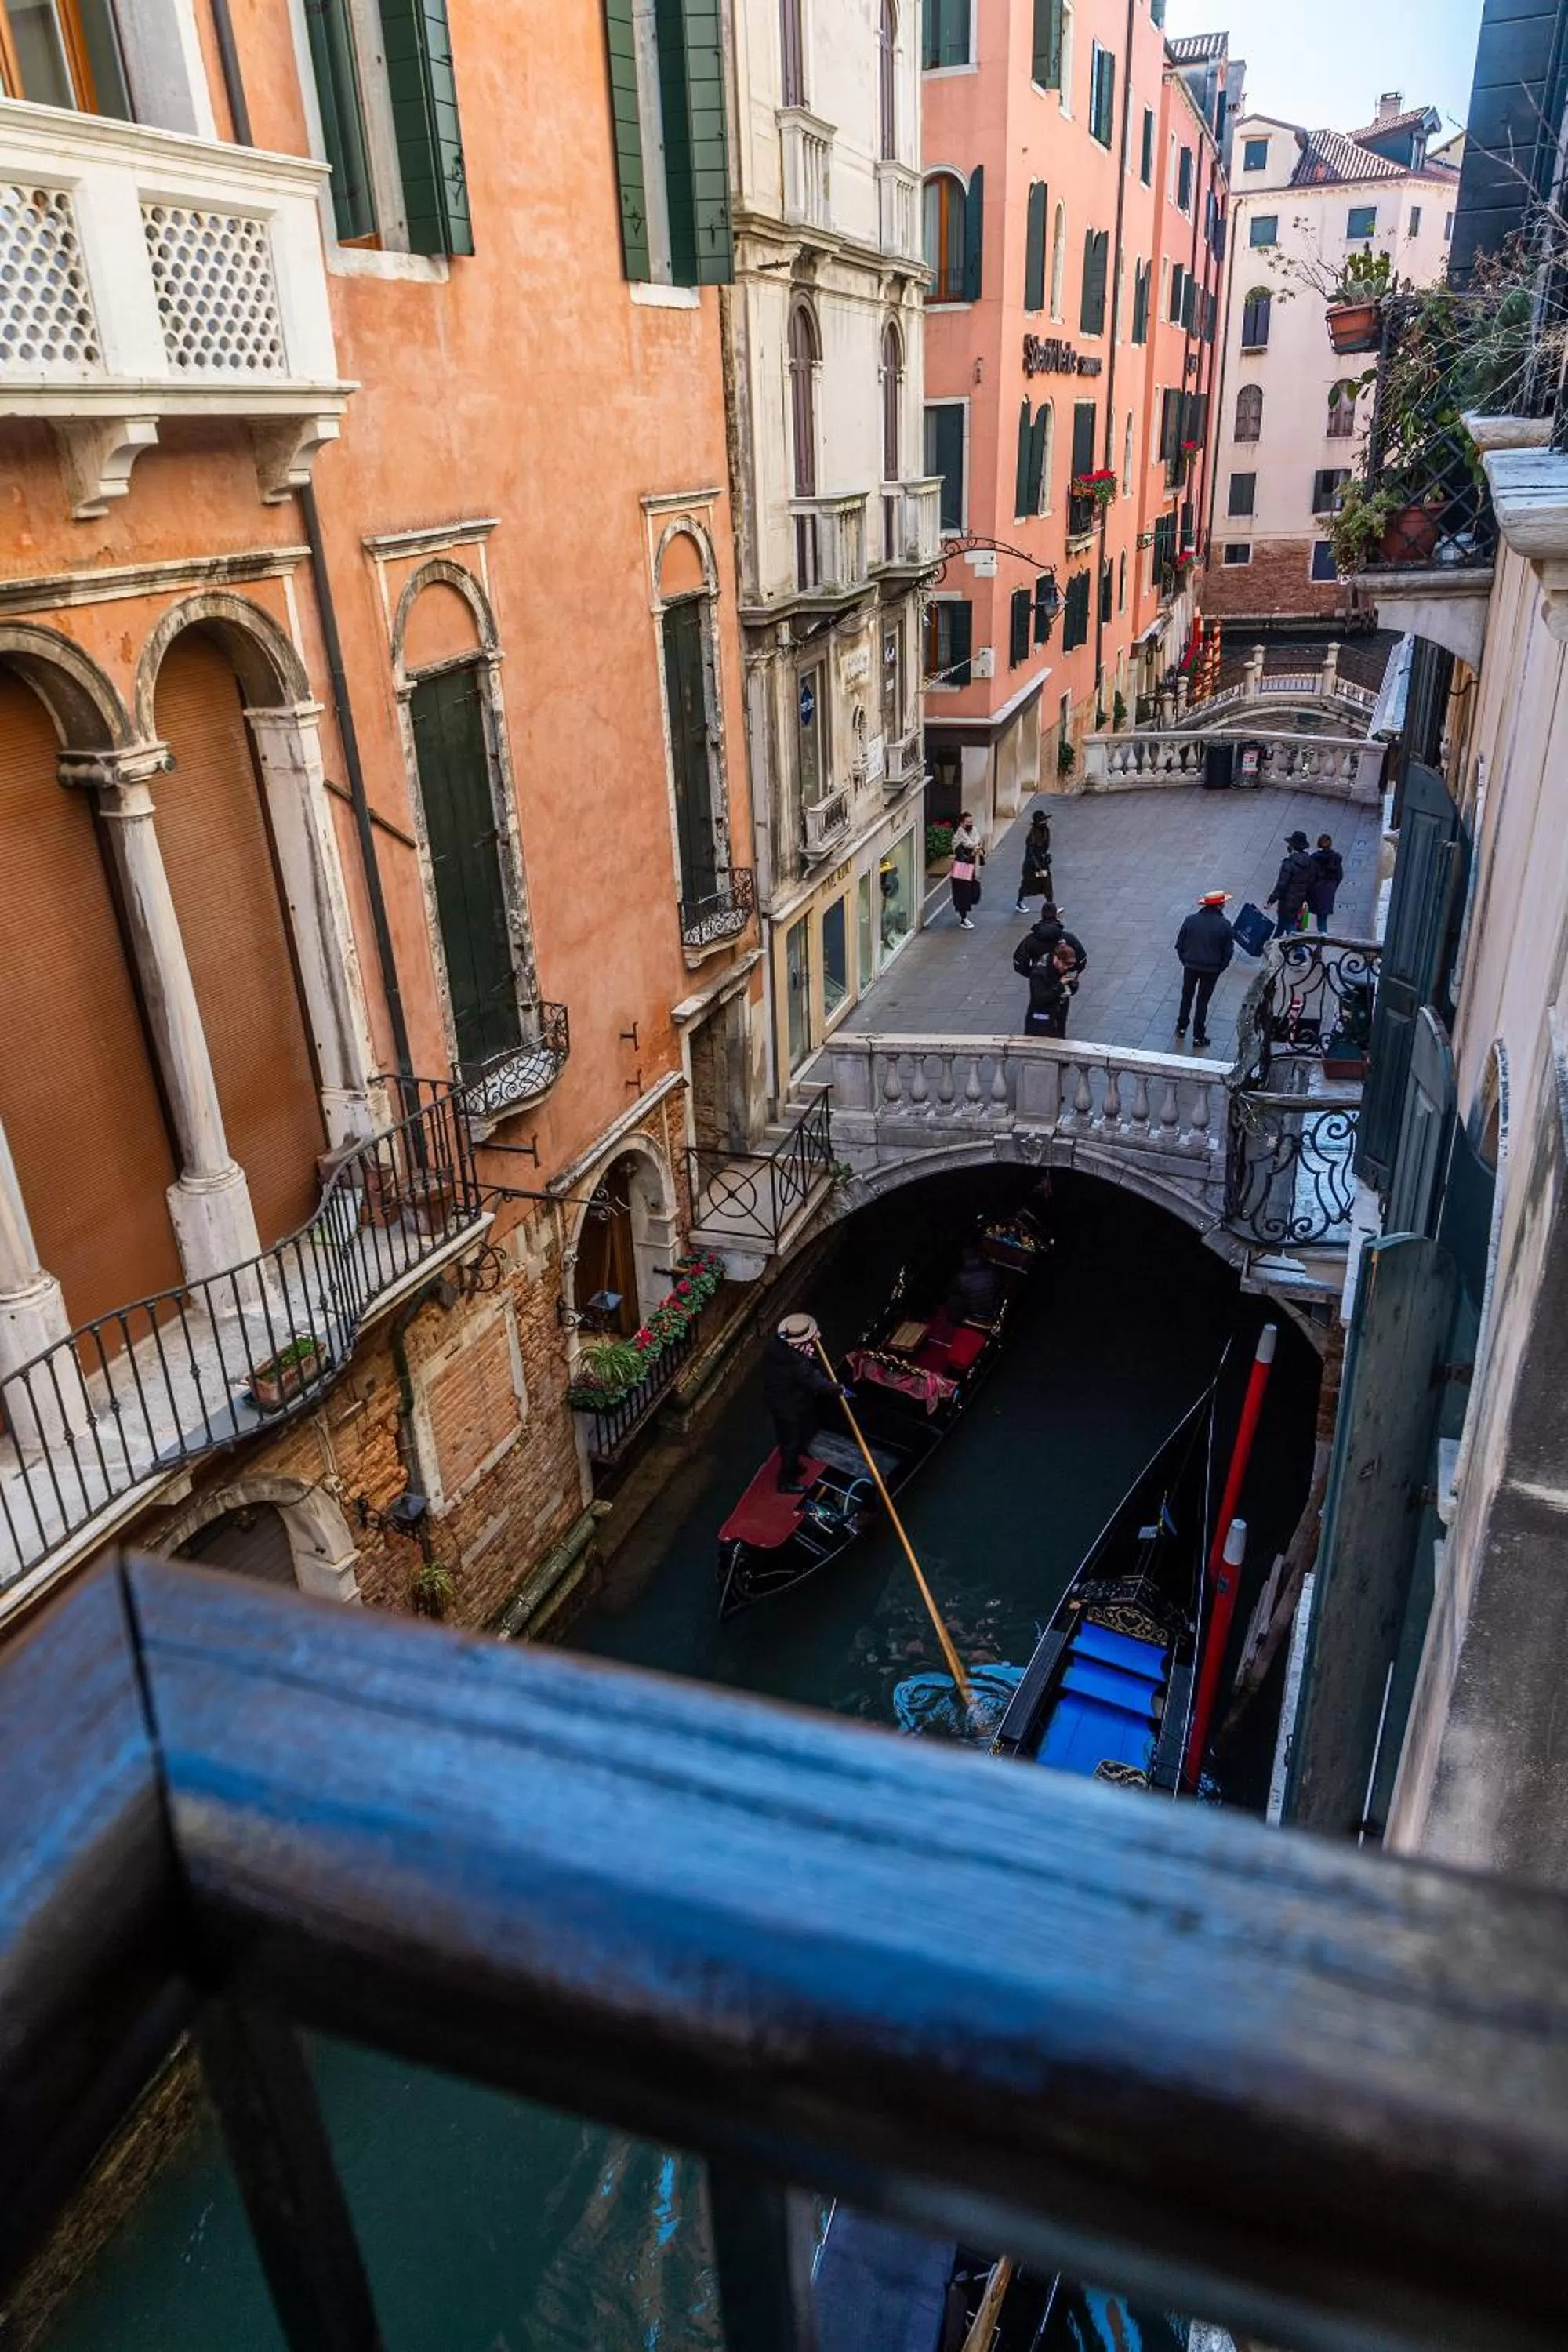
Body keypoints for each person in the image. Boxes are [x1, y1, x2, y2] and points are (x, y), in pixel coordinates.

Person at [764, 1312, 843, 1494]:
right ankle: (786, 1482)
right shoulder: (798, 1363)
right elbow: (817, 1382)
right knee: (791, 1442)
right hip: (789, 1407)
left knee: (794, 1438)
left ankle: (794, 1464)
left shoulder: (777, 1345)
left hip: (781, 1400)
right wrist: (840, 1390)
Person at [1173, 890, 1235, 1051]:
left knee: (1186, 997)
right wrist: (1219, 968)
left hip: (1190, 967)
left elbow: (1180, 944)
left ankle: (1181, 1027)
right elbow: (1228, 953)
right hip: (1211, 970)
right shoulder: (1225, 925)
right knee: (1202, 1002)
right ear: (1220, 906)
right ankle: (1198, 1037)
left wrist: (1186, 960)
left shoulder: (1190, 920)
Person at [1022, 943, 1076, 1039]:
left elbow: (1072, 991)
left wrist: (1073, 984)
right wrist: (1060, 986)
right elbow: (1040, 999)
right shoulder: (1039, 973)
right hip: (1040, 1022)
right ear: (1057, 959)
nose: (1066, 968)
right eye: (1065, 964)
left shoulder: (1064, 970)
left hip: (1058, 1018)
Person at [1267, 830, 1316, 935]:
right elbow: (1312, 882)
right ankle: (1272, 947)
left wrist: (1271, 900)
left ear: (1292, 846)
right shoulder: (1310, 862)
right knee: (1281, 926)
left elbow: (1281, 885)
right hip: (1301, 901)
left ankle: (1300, 951)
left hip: (1287, 902)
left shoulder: (1288, 864)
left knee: (1290, 927)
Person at [946, 1243, 1004, 1327]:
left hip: (974, 1314)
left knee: (954, 1298)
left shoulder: (961, 1277)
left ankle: (953, 1324)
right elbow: (999, 1289)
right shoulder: (991, 1271)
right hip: (991, 1312)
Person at [949, 812, 985, 929]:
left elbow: (979, 848)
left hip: (973, 871)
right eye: (968, 822)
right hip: (962, 872)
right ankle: (963, 918)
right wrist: (973, 855)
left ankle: (962, 914)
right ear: (962, 824)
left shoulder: (975, 834)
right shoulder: (958, 840)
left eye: (971, 822)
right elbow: (961, 858)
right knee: (963, 895)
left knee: (975, 895)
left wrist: (980, 852)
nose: (970, 824)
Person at [1015, 809, 1054, 913]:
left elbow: (1045, 848)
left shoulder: (1046, 831)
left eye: (1045, 820)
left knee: (1047, 883)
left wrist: (1045, 857)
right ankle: (1019, 902)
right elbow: (1031, 854)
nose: (1045, 823)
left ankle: (1051, 905)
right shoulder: (1032, 837)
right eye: (1042, 821)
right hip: (1032, 867)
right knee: (1028, 885)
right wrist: (1038, 868)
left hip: (1043, 863)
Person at [1308, 833, 1344, 932]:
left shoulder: (1314, 859)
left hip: (1317, 890)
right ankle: (1321, 942)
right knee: (1323, 918)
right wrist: (1333, 887)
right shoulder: (1336, 859)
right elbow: (1340, 876)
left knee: (1320, 918)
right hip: (1329, 890)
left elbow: (1310, 876)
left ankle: (1321, 942)